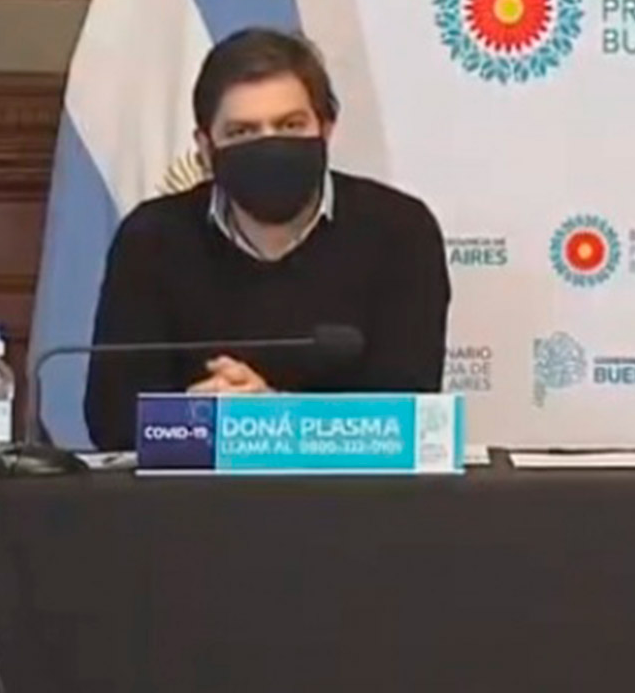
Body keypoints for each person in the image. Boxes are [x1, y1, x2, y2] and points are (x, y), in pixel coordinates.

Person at [83, 28, 450, 450]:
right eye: (242, 132)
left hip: (351, 490)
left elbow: (410, 418)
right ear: (205, 147)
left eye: (290, 125)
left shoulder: (400, 230)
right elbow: (112, 420)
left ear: (326, 129)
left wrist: (268, 416)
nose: (269, 145)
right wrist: (197, 416)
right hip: (191, 489)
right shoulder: (151, 238)